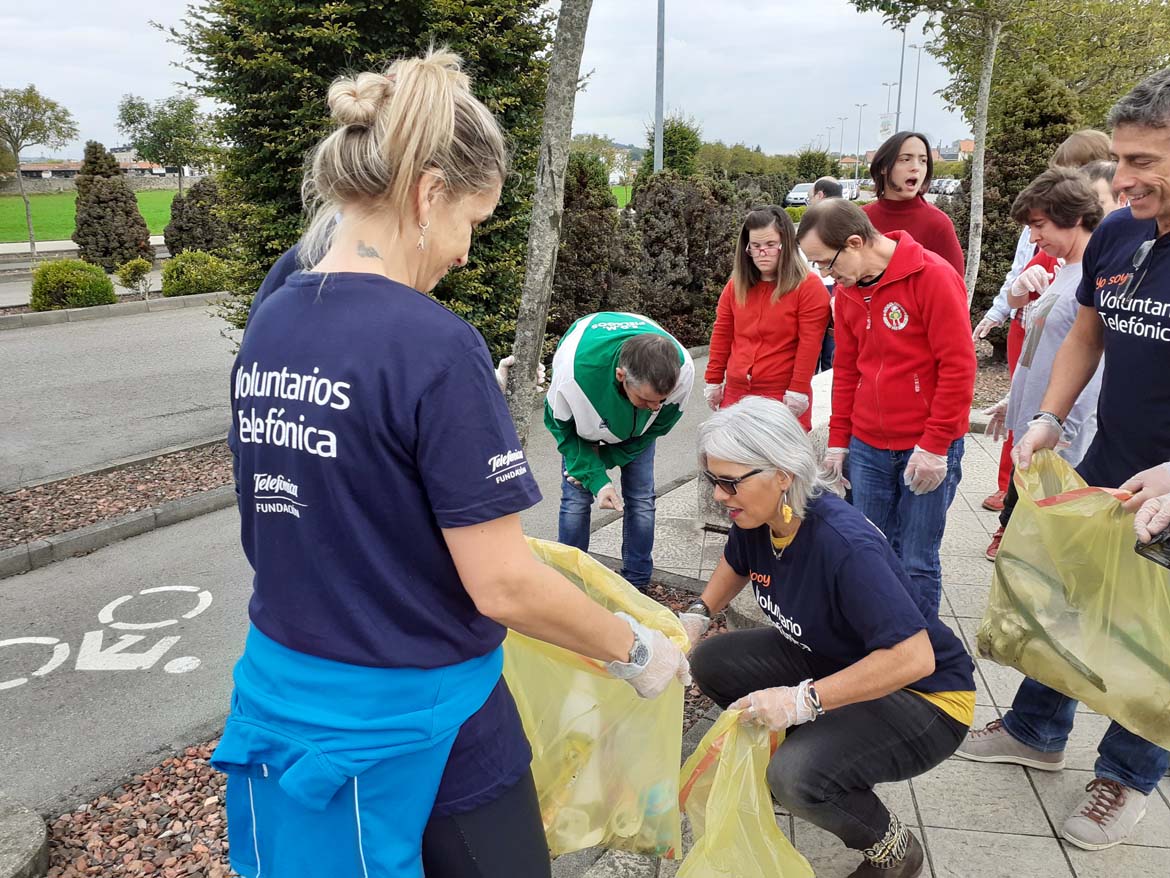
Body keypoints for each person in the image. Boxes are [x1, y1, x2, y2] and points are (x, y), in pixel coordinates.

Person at [214, 50, 690, 878]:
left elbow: (311, 504)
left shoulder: (274, 317)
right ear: (429, 193)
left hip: (285, 701)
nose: (468, 252)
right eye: (473, 220)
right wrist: (637, 651)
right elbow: (500, 584)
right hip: (418, 719)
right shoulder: (435, 345)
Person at [957, 68, 1170, 851]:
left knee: (1155, 641)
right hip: (1106, 466)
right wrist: (1047, 414)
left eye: (1146, 161)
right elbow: (1088, 332)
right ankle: (1037, 730)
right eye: (1121, 158)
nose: (1124, 178)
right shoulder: (1119, 231)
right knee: (1066, 607)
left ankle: (1126, 776)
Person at [677, 396, 974, 878]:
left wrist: (804, 701)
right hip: (835, 659)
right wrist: (697, 612)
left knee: (795, 776)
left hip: (927, 698)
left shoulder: (844, 545)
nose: (718, 496)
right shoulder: (761, 517)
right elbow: (736, 563)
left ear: (782, 473)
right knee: (712, 659)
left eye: (730, 482)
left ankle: (893, 850)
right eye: (714, 480)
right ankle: (818, 755)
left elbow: (914, 657)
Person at [797, 198, 976, 618]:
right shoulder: (850, 292)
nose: (824, 274)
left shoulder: (931, 276)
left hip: (924, 446)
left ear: (855, 243)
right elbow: (846, 369)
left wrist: (935, 445)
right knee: (869, 549)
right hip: (868, 445)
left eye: (825, 262)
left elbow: (958, 365)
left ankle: (918, 656)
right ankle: (873, 641)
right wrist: (838, 442)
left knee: (916, 560)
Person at [972, 131, 1112, 514]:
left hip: (1060, 448)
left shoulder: (1092, 278)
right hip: (1038, 435)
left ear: (1075, 218)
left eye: (1040, 226)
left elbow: (1092, 365)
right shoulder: (1064, 272)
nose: (1033, 238)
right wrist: (1013, 399)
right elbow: (1042, 350)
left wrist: (1066, 434)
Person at [545, 312, 694, 591]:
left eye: (661, 401)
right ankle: (569, 584)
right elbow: (561, 429)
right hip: (583, 420)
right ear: (620, 376)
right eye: (646, 399)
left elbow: (655, 429)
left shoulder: (683, 371)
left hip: (637, 432)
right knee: (576, 499)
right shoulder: (573, 375)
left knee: (641, 499)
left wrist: (607, 461)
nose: (654, 407)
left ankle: (637, 583)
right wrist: (595, 478)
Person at [704, 206, 831, 428]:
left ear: (786, 244)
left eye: (771, 245)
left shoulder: (808, 287)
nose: (762, 253)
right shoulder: (735, 286)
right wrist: (713, 380)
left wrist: (798, 390)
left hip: (782, 394)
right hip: (737, 393)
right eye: (755, 246)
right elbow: (722, 334)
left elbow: (809, 344)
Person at [863, 131, 965, 275]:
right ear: (883, 167)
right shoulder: (861, 218)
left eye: (923, 161)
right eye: (905, 159)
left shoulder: (938, 223)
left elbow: (954, 287)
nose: (916, 167)